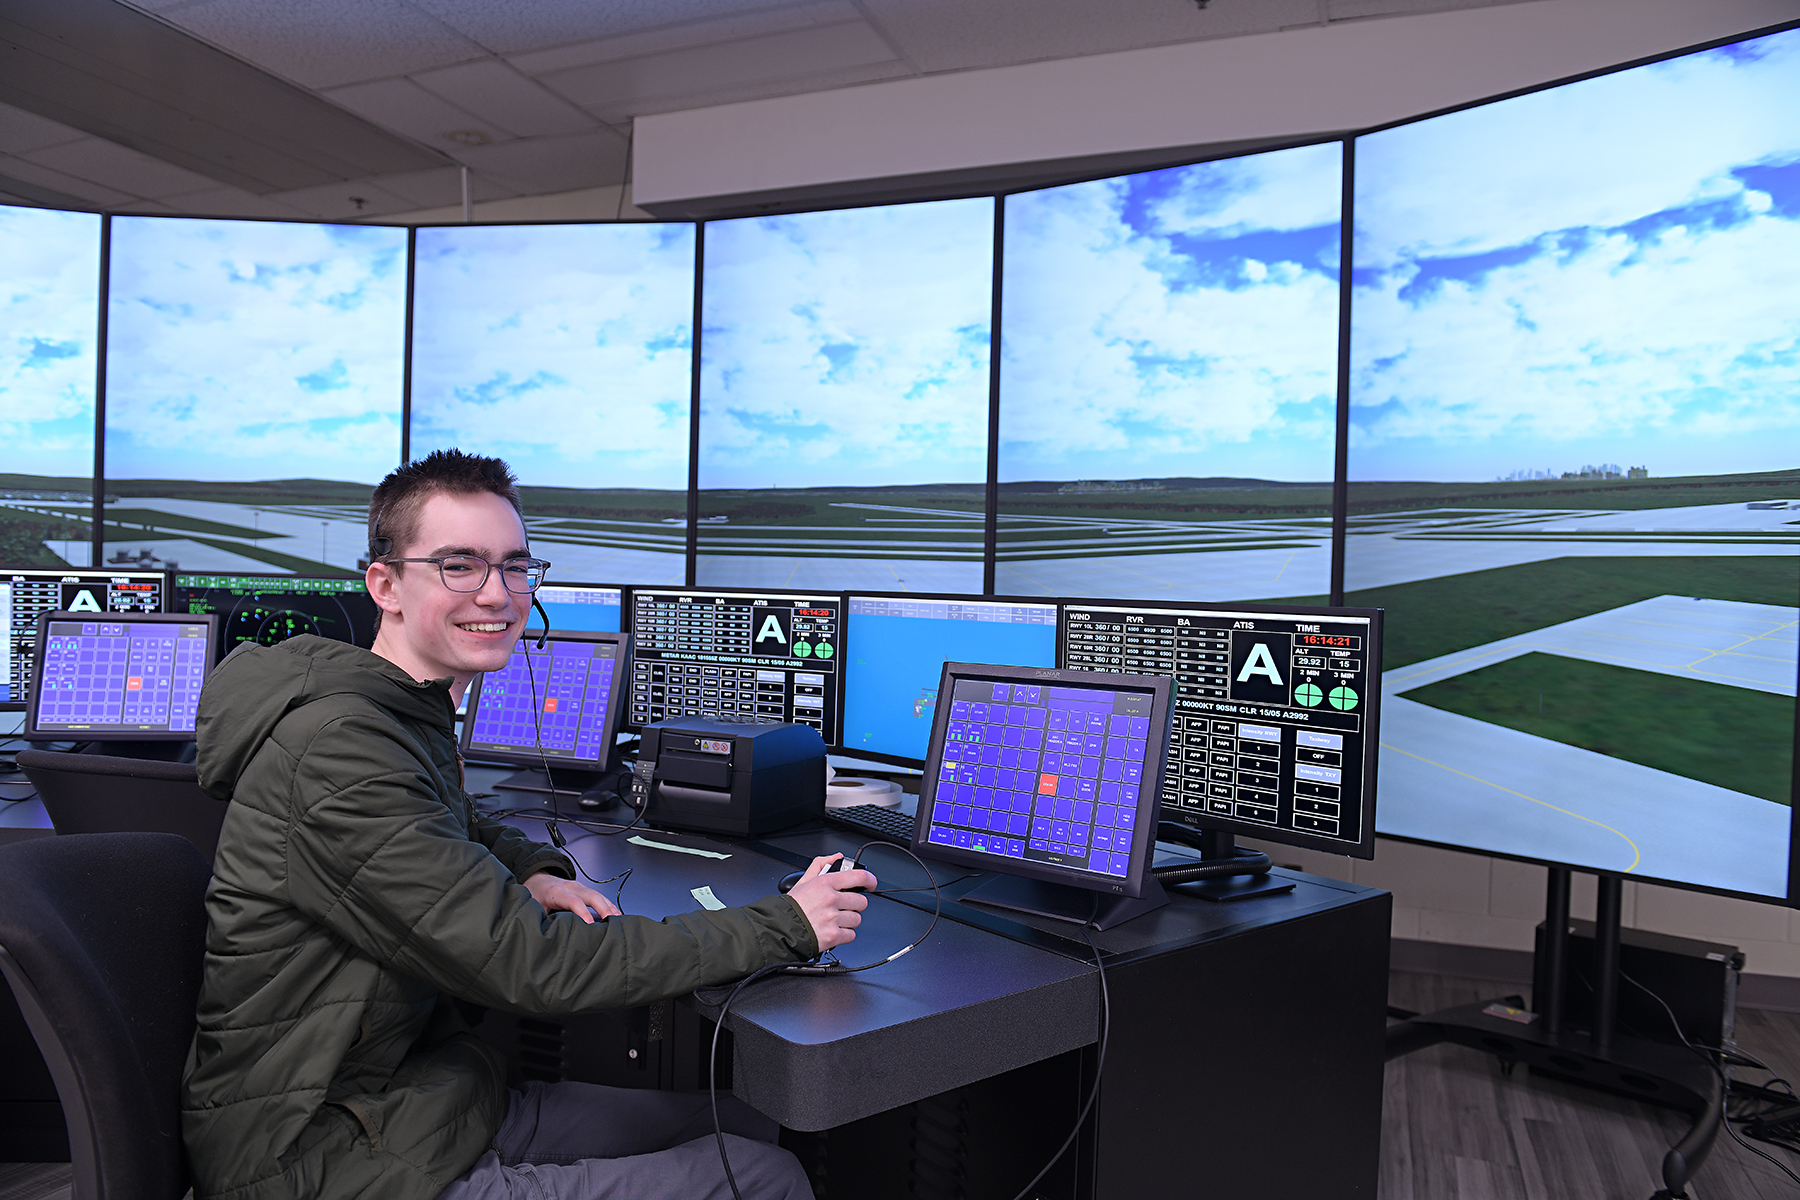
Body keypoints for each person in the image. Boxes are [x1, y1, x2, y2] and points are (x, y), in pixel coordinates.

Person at [181, 449, 873, 1200]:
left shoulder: (386, 712)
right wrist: (785, 924)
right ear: (385, 585)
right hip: (318, 1159)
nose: (498, 594)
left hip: (404, 1105)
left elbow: (448, 818)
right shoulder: (340, 750)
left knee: (745, 1124)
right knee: (763, 1177)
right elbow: (533, 966)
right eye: (459, 565)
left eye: (515, 567)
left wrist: (530, 868)